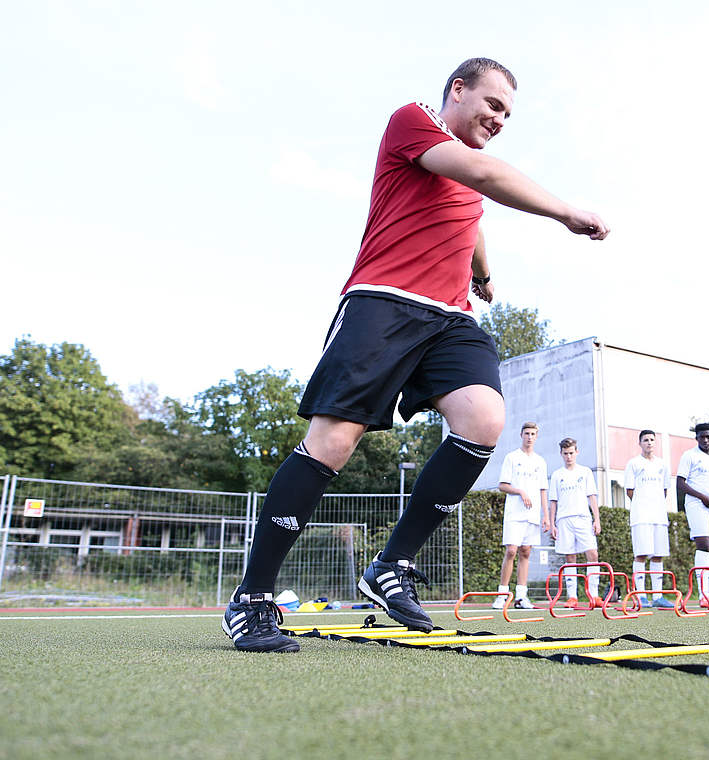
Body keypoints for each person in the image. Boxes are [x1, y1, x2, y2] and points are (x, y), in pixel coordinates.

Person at [223, 58, 609, 652]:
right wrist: (563, 211)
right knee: (333, 442)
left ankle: (389, 567)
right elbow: (481, 173)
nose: (500, 118)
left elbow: (472, 205)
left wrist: (481, 271)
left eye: (508, 113)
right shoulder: (414, 121)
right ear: (458, 91)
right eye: (492, 104)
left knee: (484, 419)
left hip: (450, 316)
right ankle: (251, 598)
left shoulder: (463, 166)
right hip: (384, 303)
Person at [494, 421, 548, 609]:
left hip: (532, 515)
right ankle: (502, 595)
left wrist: (546, 516)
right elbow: (502, 485)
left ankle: (521, 597)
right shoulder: (511, 457)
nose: (529, 437)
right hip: (514, 514)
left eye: (533, 434)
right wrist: (521, 492)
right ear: (521, 435)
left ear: (536, 436)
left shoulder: (540, 461)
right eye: (527, 433)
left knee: (526, 552)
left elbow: (543, 490)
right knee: (511, 551)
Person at [676, 422, 709, 607]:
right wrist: (702, 497)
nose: (706, 440)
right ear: (696, 437)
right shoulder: (689, 456)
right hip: (697, 504)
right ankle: (702, 595)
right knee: (703, 545)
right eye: (702, 436)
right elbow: (680, 484)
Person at [548, 438, 602, 607]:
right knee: (570, 556)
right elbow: (553, 502)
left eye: (571, 453)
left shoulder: (585, 472)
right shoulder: (557, 475)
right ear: (561, 454)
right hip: (564, 520)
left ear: (576, 452)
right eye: (565, 453)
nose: (569, 456)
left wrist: (597, 520)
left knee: (592, 554)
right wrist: (552, 523)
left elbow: (592, 497)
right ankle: (572, 597)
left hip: (583, 519)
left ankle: (594, 595)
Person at [624, 429, 674, 609]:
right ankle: (641, 596)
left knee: (658, 554)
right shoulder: (633, 464)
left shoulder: (662, 465)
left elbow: (665, 490)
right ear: (640, 443)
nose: (649, 443)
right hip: (641, 516)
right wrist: (642, 504)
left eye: (652, 439)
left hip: (659, 516)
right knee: (641, 554)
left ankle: (658, 596)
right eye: (645, 440)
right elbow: (629, 491)